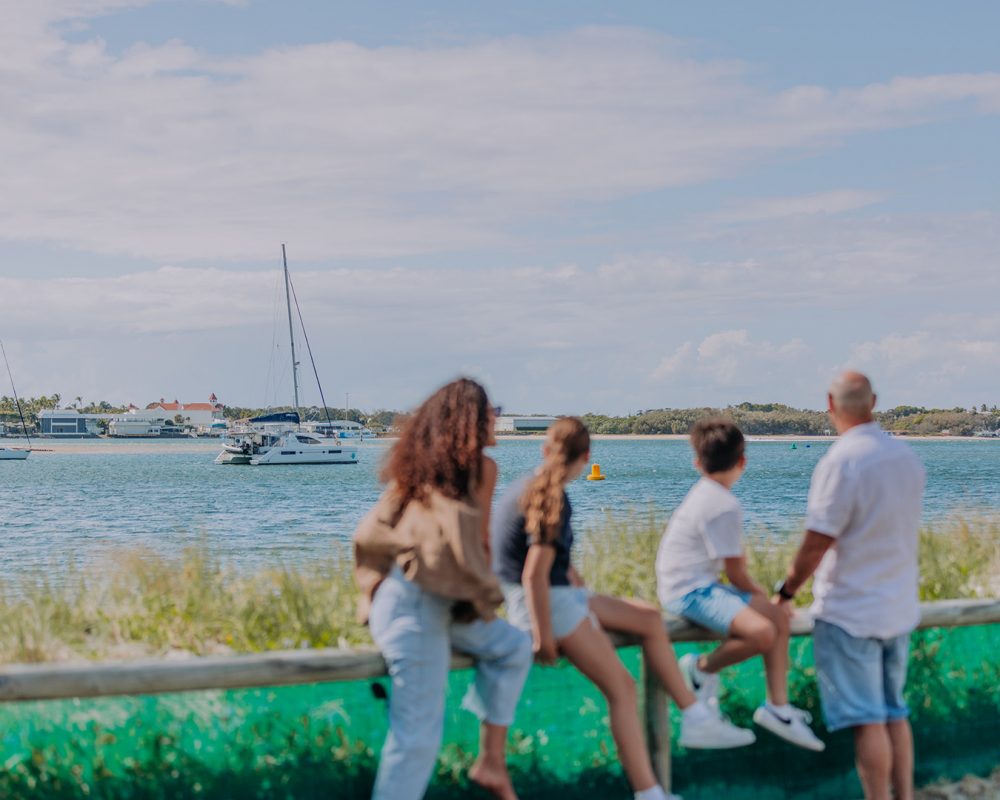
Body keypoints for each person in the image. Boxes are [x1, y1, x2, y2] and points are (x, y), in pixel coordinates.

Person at [494, 418, 754, 800]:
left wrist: (589, 597)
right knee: (623, 689)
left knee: (648, 617)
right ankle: (649, 792)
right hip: (546, 606)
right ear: (586, 457)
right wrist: (543, 636)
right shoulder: (553, 497)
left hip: (553, 597)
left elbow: (551, 564)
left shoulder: (525, 488)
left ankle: (696, 716)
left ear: (544, 450)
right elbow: (534, 574)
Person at [354, 378, 533, 800]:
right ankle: (489, 760)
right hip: (420, 609)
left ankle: (491, 761)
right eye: (493, 410)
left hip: (410, 600)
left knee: (512, 648)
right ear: (473, 419)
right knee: (415, 740)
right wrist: (484, 598)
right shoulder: (482, 469)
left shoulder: (418, 467)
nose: (498, 417)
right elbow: (483, 546)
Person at [774, 372, 925, 800]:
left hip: (851, 611)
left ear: (830, 404)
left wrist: (786, 591)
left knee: (868, 720)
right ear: (873, 401)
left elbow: (817, 540)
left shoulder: (841, 461)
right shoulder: (906, 456)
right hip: (898, 608)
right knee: (895, 712)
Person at [656, 417, 825, 752]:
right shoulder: (722, 504)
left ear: (698, 462)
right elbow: (736, 575)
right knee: (763, 631)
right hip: (688, 591)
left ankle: (778, 707)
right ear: (742, 460)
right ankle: (700, 669)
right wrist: (764, 596)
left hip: (698, 585)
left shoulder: (706, 494)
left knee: (778, 618)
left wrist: (770, 605)